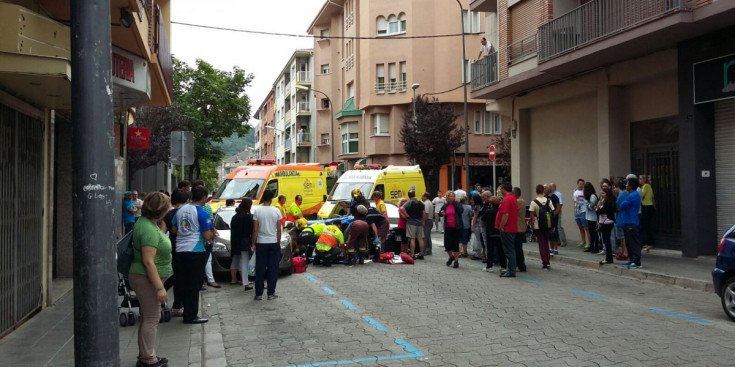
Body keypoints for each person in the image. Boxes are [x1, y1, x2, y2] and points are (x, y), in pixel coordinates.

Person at [128, 192, 172, 367]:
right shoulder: (147, 229)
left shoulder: (146, 224)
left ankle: (146, 354)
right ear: (161, 210)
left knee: (148, 317)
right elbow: (148, 261)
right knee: (153, 317)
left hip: (144, 277)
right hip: (145, 278)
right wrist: (160, 287)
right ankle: (148, 359)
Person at [173, 186, 213, 324]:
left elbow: (174, 228)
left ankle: (182, 307)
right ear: (204, 198)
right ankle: (191, 315)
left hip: (179, 250)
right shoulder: (202, 213)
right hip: (195, 250)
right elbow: (207, 236)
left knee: (183, 282)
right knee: (193, 284)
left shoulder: (180, 210)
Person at [162, 189, 191, 317]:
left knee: (178, 275)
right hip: (184, 248)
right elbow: (183, 230)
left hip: (172, 247)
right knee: (181, 278)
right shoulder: (183, 213)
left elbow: (161, 232)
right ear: (186, 201)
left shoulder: (167, 215)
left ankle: (176, 302)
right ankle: (178, 305)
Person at [251, 190, 283, 300]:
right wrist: (278, 242)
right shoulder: (276, 211)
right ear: (272, 199)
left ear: (263, 198)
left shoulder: (257, 211)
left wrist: (253, 243)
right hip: (273, 242)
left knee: (260, 268)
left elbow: (255, 229)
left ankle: (259, 294)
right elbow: (278, 230)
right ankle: (271, 293)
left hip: (261, 243)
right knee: (273, 269)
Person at [619, 176, 643, 269]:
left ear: (631, 185)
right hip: (627, 220)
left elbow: (622, 205)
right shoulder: (631, 195)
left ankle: (636, 261)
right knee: (629, 242)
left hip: (632, 221)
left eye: (627, 184)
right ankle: (631, 259)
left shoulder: (633, 195)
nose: (626, 186)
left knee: (633, 242)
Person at [230, 198, 254, 290]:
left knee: (235, 260)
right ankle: (246, 283)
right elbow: (251, 231)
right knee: (244, 262)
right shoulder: (248, 217)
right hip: (245, 242)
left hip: (235, 241)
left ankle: (235, 279)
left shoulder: (235, 217)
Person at [529, 185, 554, 270]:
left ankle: (545, 262)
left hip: (538, 225)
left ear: (536, 191)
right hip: (547, 225)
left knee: (541, 244)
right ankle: (548, 261)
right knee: (546, 243)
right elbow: (552, 212)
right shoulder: (549, 201)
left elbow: (532, 216)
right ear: (543, 191)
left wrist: (532, 226)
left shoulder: (533, 202)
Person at [496, 182, 518, 278]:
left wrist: (501, 226)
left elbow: (505, 214)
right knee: (510, 250)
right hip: (511, 227)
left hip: (507, 228)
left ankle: (511, 270)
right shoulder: (512, 198)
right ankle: (510, 269)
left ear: (504, 189)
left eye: (501, 189)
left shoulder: (507, 199)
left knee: (509, 250)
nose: (500, 191)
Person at [439, 191, 464, 268]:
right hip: (448, 227)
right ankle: (451, 256)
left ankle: (456, 261)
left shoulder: (457, 204)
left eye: (453, 196)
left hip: (456, 227)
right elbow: (440, 213)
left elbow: (461, 211)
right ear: (447, 197)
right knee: (447, 245)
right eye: (450, 196)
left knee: (455, 244)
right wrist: (441, 213)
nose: (452, 197)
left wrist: (455, 203)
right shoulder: (445, 206)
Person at [482, 194, 505, 272]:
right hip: (499, 232)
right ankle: (503, 266)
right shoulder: (500, 211)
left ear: (491, 203)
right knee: (501, 250)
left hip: (490, 233)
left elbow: (483, 219)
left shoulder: (488, 211)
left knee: (490, 250)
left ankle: (489, 266)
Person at [401, 190, 426, 259]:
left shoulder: (409, 202)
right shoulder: (421, 203)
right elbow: (424, 213)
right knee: (420, 238)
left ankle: (412, 254)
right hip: (420, 223)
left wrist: (407, 215)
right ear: (414, 194)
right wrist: (423, 221)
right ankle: (421, 254)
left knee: (412, 238)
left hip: (411, 222)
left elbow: (402, 208)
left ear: (409, 195)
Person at [596, 185, 616, 265]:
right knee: (606, 240)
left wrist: (598, 207)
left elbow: (600, 211)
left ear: (607, 194)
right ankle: (608, 258)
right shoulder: (604, 201)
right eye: (601, 193)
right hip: (604, 222)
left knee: (606, 241)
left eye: (603, 193)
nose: (601, 195)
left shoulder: (608, 202)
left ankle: (608, 258)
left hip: (607, 223)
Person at [639, 174, 656, 252]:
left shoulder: (646, 186)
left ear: (644, 180)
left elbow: (641, 196)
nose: (639, 180)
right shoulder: (644, 187)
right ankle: (646, 242)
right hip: (646, 207)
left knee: (646, 225)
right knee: (645, 225)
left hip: (647, 207)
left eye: (640, 179)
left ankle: (649, 242)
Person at [512, 187, 527, 272]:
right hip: (518, 226)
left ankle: (521, 265)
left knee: (517, 248)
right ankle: (520, 265)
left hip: (518, 227)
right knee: (517, 247)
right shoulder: (520, 201)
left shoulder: (519, 201)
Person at [614, 178, 629, 260]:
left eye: (614, 187)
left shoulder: (621, 196)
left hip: (620, 218)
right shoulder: (626, 194)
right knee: (624, 238)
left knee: (623, 238)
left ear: (617, 187)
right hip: (625, 218)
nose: (614, 189)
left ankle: (625, 253)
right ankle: (624, 252)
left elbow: (618, 207)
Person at [573, 179, 590, 249]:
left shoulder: (584, 192)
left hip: (584, 211)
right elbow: (574, 202)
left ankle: (589, 242)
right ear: (577, 184)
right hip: (577, 212)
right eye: (580, 184)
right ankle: (583, 241)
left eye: (582, 184)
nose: (581, 185)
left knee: (586, 227)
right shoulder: (575, 192)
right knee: (580, 227)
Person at [583, 182, 600, 254]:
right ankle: (591, 246)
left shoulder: (592, 196)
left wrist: (586, 203)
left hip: (593, 217)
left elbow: (591, 206)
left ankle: (596, 247)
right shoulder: (589, 196)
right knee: (591, 232)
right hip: (589, 216)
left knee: (594, 233)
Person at [470, 194, 485, 260]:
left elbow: (475, 217)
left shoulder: (476, 207)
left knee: (477, 239)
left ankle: (477, 253)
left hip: (477, 224)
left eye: (472, 199)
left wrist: (472, 226)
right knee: (480, 239)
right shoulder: (482, 205)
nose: (471, 200)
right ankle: (481, 252)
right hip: (481, 223)